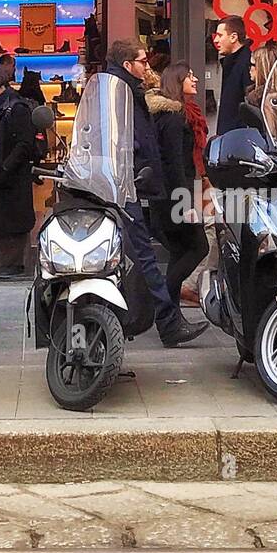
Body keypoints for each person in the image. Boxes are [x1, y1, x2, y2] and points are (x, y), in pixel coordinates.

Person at [104, 39, 208, 348]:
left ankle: (165, 319)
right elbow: (166, 158)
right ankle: (166, 319)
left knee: (147, 256)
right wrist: (181, 199)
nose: (148, 67)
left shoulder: (130, 94)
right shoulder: (127, 95)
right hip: (136, 187)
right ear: (128, 66)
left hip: (140, 186)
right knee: (147, 257)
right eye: (142, 61)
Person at [146, 62, 211, 309]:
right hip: (173, 198)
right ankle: (164, 303)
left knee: (180, 251)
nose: (194, 79)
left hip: (169, 196)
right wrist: (185, 204)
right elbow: (174, 164)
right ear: (178, 82)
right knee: (198, 247)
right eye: (189, 76)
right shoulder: (175, 119)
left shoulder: (179, 115)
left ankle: (170, 313)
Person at [0, 62, 37, 277]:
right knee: (3, 218)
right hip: (0, 172)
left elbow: (24, 144)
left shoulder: (14, 107)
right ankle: (5, 262)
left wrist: (5, 167)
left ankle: (13, 264)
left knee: (12, 220)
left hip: (9, 174)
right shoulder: (0, 106)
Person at [212, 15, 253, 134]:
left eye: (220, 35)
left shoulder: (247, 64)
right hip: (232, 137)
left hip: (238, 140)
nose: (215, 40)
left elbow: (249, 105)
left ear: (233, 37)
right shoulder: (232, 62)